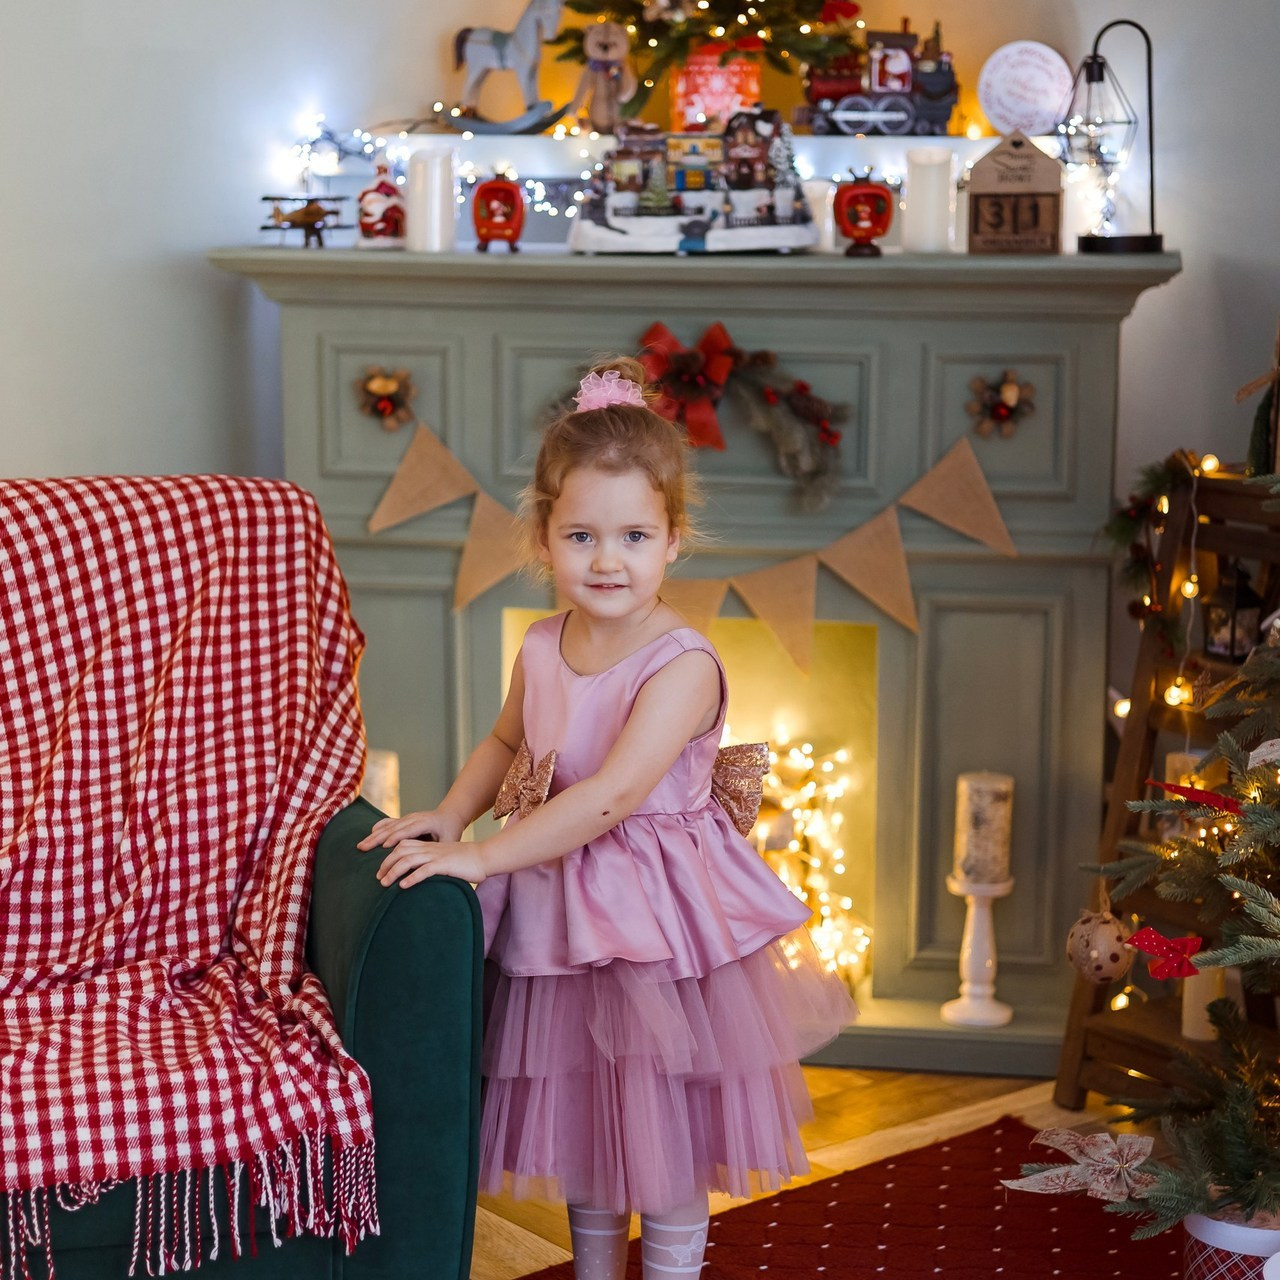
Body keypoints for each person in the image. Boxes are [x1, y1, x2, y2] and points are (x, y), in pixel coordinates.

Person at [358, 357, 855, 1280]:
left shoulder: (682, 663)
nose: (606, 559)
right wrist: (451, 814)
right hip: (562, 909)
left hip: (658, 926)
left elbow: (612, 796)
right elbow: (507, 744)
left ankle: (668, 1271)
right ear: (543, 538)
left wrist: (486, 857)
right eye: (581, 534)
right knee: (589, 1120)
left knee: (658, 1125)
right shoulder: (543, 643)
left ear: (674, 540)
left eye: (633, 535)